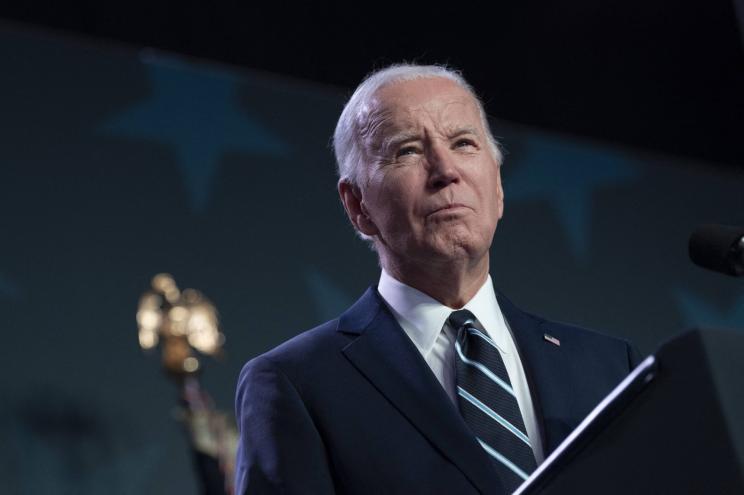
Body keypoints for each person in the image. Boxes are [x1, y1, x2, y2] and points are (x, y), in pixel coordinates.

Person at [233, 64, 640, 494]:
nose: (445, 170)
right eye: (407, 150)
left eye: (463, 143)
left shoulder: (611, 368)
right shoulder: (297, 383)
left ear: (498, 186)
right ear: (358, 205)